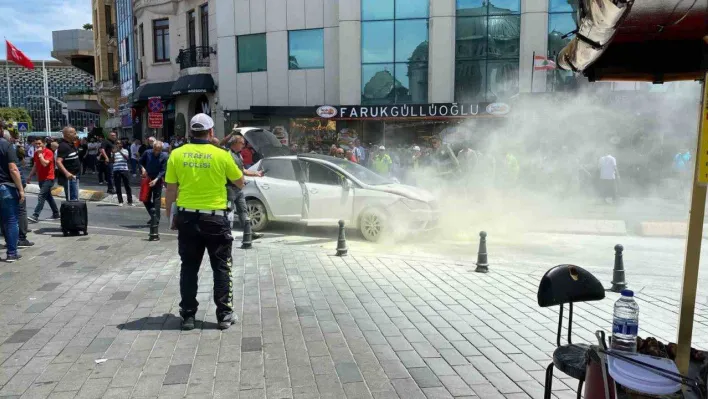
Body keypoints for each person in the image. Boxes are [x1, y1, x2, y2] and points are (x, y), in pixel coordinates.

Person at [165, 113, 244, 331]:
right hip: (215, 218)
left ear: (191, 132)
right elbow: (240, 181)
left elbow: (171, 189)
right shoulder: (221, 155)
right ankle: (224, 315)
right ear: (210, 133)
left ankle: (188, 316)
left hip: (187, 217)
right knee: (221, 266)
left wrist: (170, 215)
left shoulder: (177, 154)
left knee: (189, 268)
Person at [226, 135, 263, 238]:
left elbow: (243, 171)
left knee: (243, 210)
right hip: (229, 188)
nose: (244, 145)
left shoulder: (238, 155)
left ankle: (249, 232)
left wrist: (256, 173)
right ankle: (226, 232)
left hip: (238, 188)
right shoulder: (228, 155)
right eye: (242, 143)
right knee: (229, 211)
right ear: (235, 143)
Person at [0, 129, 25, 262]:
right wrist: (21, 189)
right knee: (10, 220)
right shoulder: (6, 145)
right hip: (5, 187)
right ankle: (11, 253)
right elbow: (13, 169)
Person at [27, 137, 60, 223]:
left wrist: (40, 154)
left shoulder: (48, 152)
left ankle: (35, 215)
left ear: (44, 144)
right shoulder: (36, 153)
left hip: (49, 178)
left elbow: (45, 164)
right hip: (40, 178)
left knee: (41, 196)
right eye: (36, 143)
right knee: (48, 197)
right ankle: (56, 213)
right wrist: (30, 176)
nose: (38, 145)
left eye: (39, 143)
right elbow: (35, 166)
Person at [140, 141, 168, 224]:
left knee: (156, 199)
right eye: (155, 149)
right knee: (145, 199)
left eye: (158, 150)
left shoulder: (165, 156)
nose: (156, 152)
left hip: (157, 179)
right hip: (147, 178)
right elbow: (140, 162)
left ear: (161, 150)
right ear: (153, 148)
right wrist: (142, 168)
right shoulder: (147, 153)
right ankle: (153, 215)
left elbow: (163, 170)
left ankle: (156, 219)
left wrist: (156, 179)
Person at [56, 127, 81, 201]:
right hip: (70, 177)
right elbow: (58, 161)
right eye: (74, 133)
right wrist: (67, 173)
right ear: (68, 134)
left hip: (75, 175)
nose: (76, 134)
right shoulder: (63, 146)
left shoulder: (71, 144)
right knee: (72, 200)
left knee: (74, 198)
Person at [112, 141, 134, 207]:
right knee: (118, 186)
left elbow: (126, 158)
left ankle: (130, 201)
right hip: (116, 170)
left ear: (122, 144)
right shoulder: (113, 151)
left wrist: (120, 151)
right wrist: (113, 154)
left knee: (127, 186)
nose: (119, 144)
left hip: (124, 170)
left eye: (120, 143)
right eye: (117, 143)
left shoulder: (125, 150)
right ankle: (120, 201)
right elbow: (112, 161)